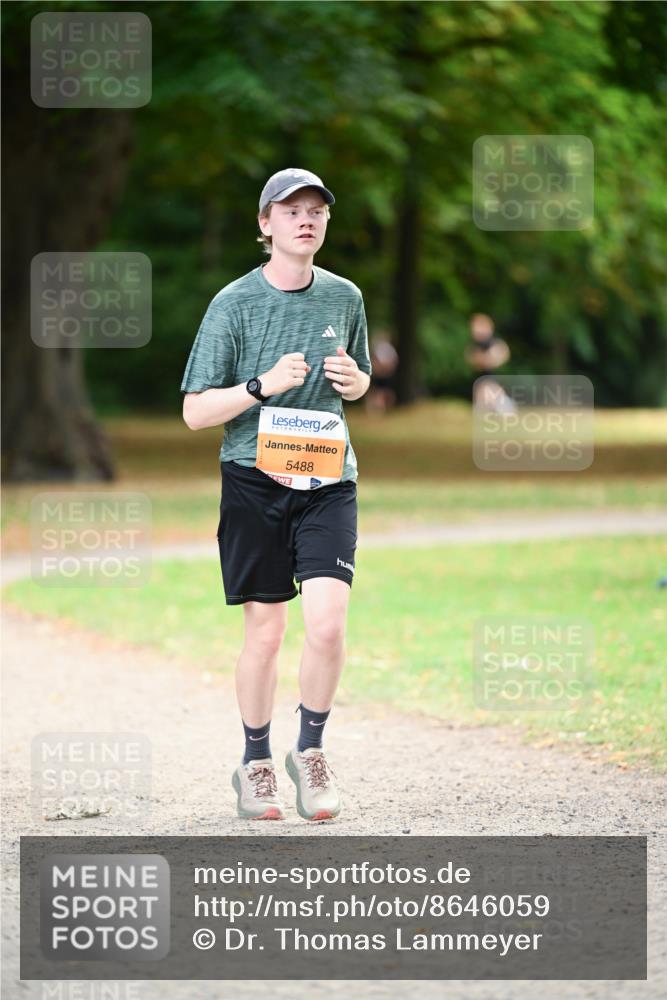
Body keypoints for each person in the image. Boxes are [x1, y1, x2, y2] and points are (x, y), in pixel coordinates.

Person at [180, 168, 372, 822]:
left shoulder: (345, 297)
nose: (305, 219)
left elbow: (360, 378)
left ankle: (309, 753)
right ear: (265, 225)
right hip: (253, 479)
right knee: (266, 632)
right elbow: (195, 413)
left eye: (316, 209)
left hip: (326, 478)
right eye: (291, 210)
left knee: (327, 623)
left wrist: (355, 383)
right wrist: (261, 386)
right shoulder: (232, 304)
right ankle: (255, 762)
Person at [465, 312, 515, 413]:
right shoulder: (474, 346)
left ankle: (504, 404)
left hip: (491, 381)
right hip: (480, 383)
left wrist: (489, 359)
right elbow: (473, 360)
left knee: (488, 391)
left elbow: (502, 354)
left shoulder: (493, 343)